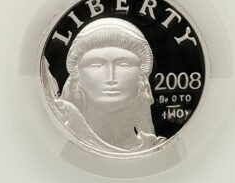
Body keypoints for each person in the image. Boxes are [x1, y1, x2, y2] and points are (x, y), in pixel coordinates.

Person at [44, 18, 164, 155]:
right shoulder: (57, 142)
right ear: (77, 78)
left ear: (141, 78)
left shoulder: (158, 148)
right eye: (96, 65)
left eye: (124, 65)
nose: (111, 77)